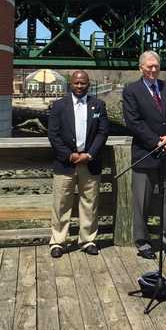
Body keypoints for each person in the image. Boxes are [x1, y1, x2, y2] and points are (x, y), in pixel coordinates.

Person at [122, 50, 166, 259]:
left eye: (156, 66)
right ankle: (142, 242)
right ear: (140, 68)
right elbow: (133, 122)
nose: (153, 69)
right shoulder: (131, 91)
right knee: (142, 201)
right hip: (145, 153)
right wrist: (156, 142)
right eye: (149, 66)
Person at [47, 70, 109, 258]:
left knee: (90, 202)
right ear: (71, 84)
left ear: (88, 84)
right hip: (65, 163)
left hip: (90, 162)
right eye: (76, 83)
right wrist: (70, 155)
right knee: (61, 203)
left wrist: (89, 154)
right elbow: (53, 135)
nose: (80, 86)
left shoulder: (98, 105)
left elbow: (103, 132)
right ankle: (58, 242)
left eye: (83, 83)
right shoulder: (58, 106)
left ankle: (88, 240)